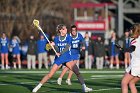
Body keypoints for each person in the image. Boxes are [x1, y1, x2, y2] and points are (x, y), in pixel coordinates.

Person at [32, 24, 93, 93]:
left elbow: (67, 47)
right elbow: (57, 50)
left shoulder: (69, 37)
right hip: (59, 59)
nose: (66, 30)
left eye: (66, 28)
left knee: (77, 72)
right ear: (60, 30)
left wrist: (61, 53)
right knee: (50, 75)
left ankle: (84, 87)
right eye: (64, 29)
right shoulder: (56, 38)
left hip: (67, 58)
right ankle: (38, 87)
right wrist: (53, 46)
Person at [121, 23, 140, 93]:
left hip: (136, 65)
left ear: (133, 30)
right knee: (131, 83)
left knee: (124, 82)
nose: (129, 31)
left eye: (131, 29)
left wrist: (123, 49)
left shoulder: (134, 39)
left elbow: (132, 48)